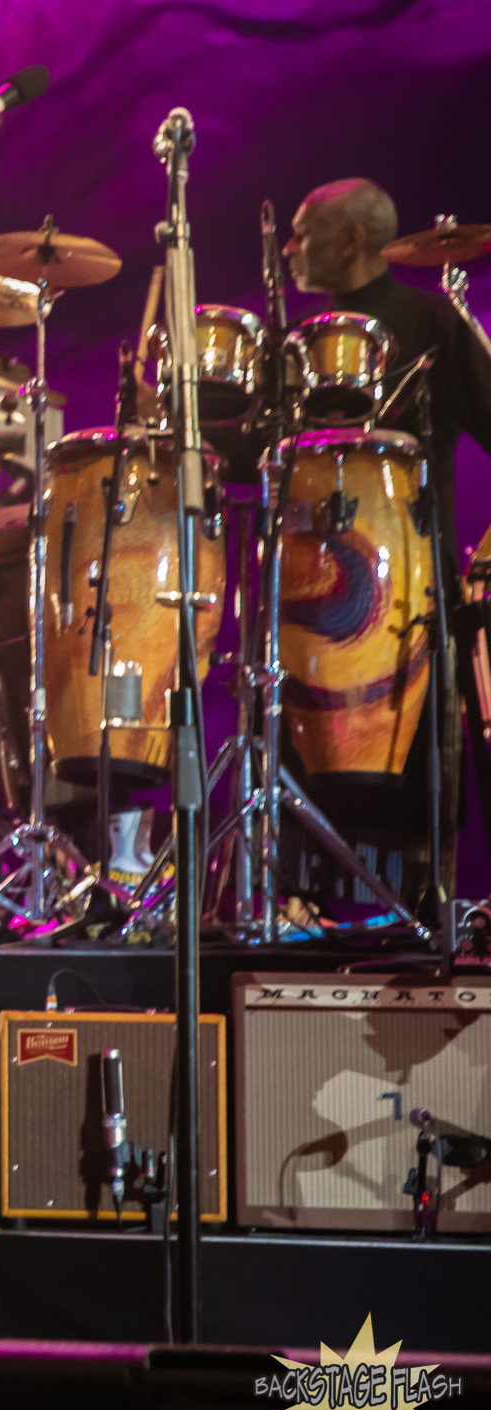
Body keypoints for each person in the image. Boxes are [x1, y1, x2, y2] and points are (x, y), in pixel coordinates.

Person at [282, 179, 491, 909]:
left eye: (305, 232)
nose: (291, 248)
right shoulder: (298, 343)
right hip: (308, 605)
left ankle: (408, 915)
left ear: (351, 241)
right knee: (309, 765)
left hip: (409, 590)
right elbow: (260, 461)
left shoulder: (431, 322)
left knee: (405, 778)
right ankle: (303, 908)